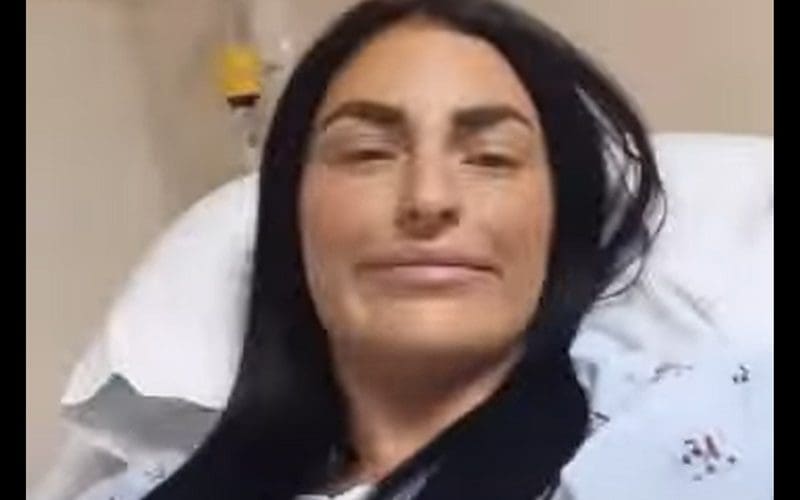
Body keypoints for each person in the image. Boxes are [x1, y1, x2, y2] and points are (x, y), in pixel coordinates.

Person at [63, 0, 775, 499]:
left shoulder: (722, 429)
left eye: (492, 158)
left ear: (558, 224)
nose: (429, 198)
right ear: (291, 215)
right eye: (368, 153)